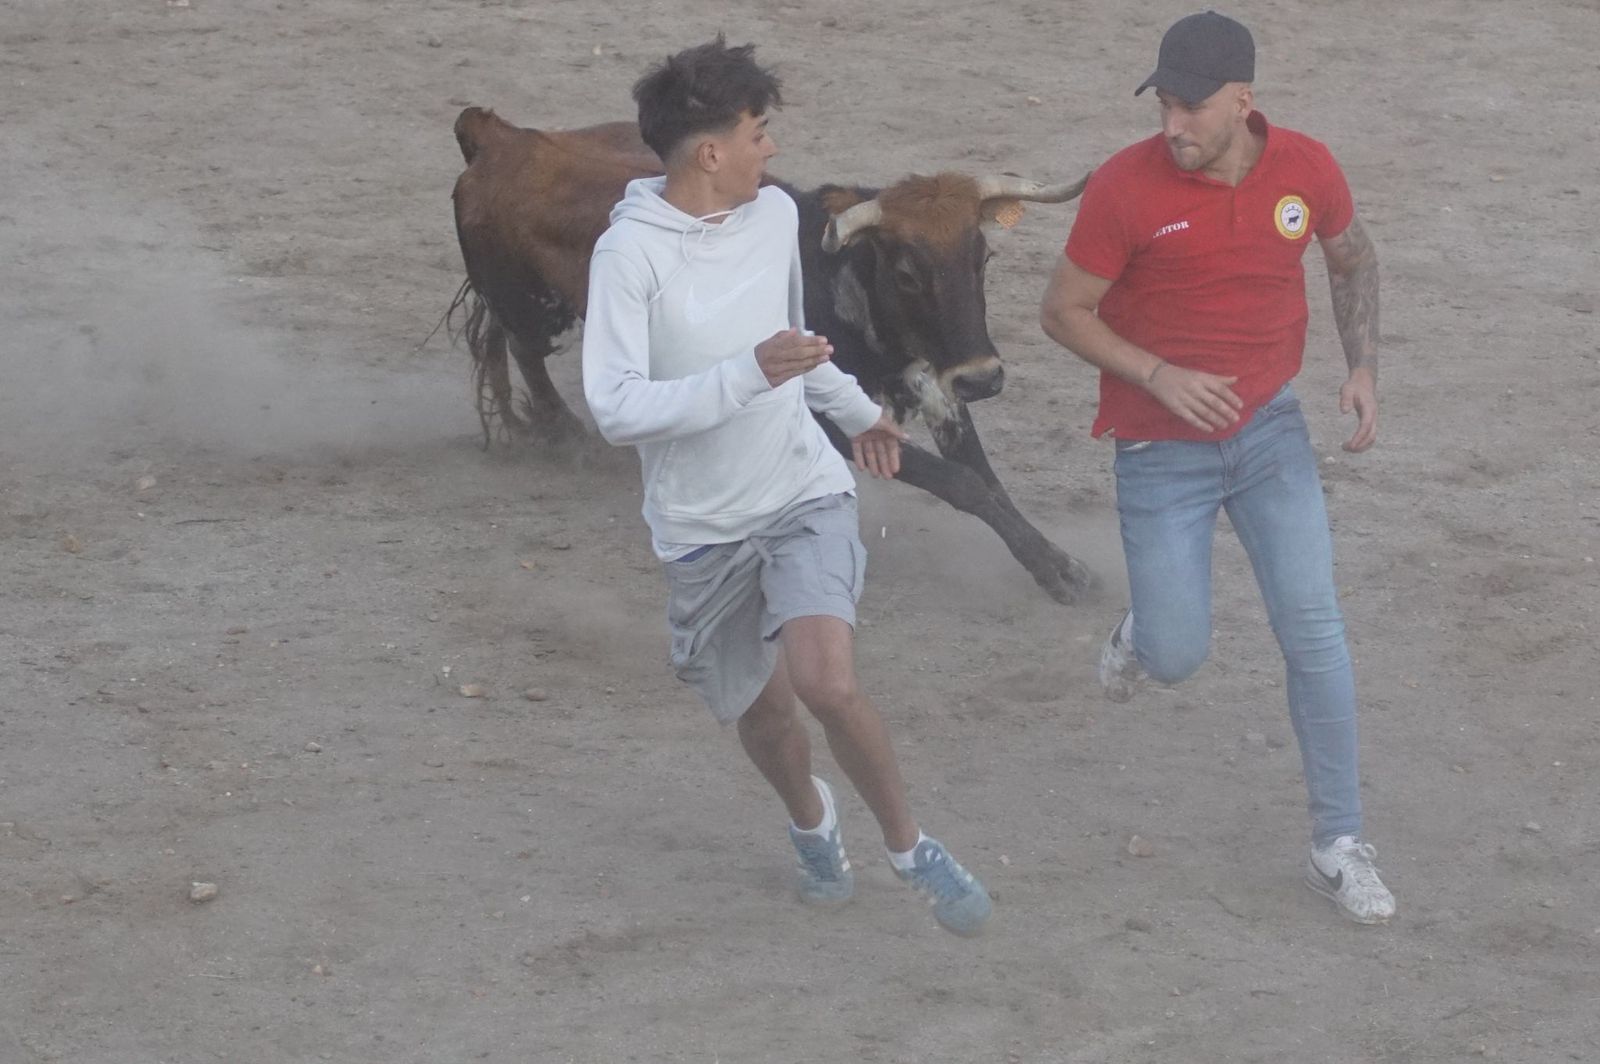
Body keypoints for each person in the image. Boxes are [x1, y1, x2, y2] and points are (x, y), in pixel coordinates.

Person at [580, 36, 991, 936]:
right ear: (709, 151)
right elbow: (613, 407)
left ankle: (912, 848)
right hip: (700, 528)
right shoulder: (630, 258)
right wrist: (747, 376)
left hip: (799, 491)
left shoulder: (770, 218)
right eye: (759, 133)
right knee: (764, 718)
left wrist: (854, 414)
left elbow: (792, 344)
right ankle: (812, 824)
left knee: (826, 682)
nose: (773, 150)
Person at [1040, 11, 1395, 924]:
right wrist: (1158, 374)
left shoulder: (1306, 169)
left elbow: (1352, 261)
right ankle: (1137, 640)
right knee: (1178, 651)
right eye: (1163, 104)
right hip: (1161, 454)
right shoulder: (1124, 187)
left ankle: (1338, 843)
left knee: (1314, 628)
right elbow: (1063, 311)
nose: (1173, 125)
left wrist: (1362, 368)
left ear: (1244, 100)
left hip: (1270, 433)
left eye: (1191, 107)